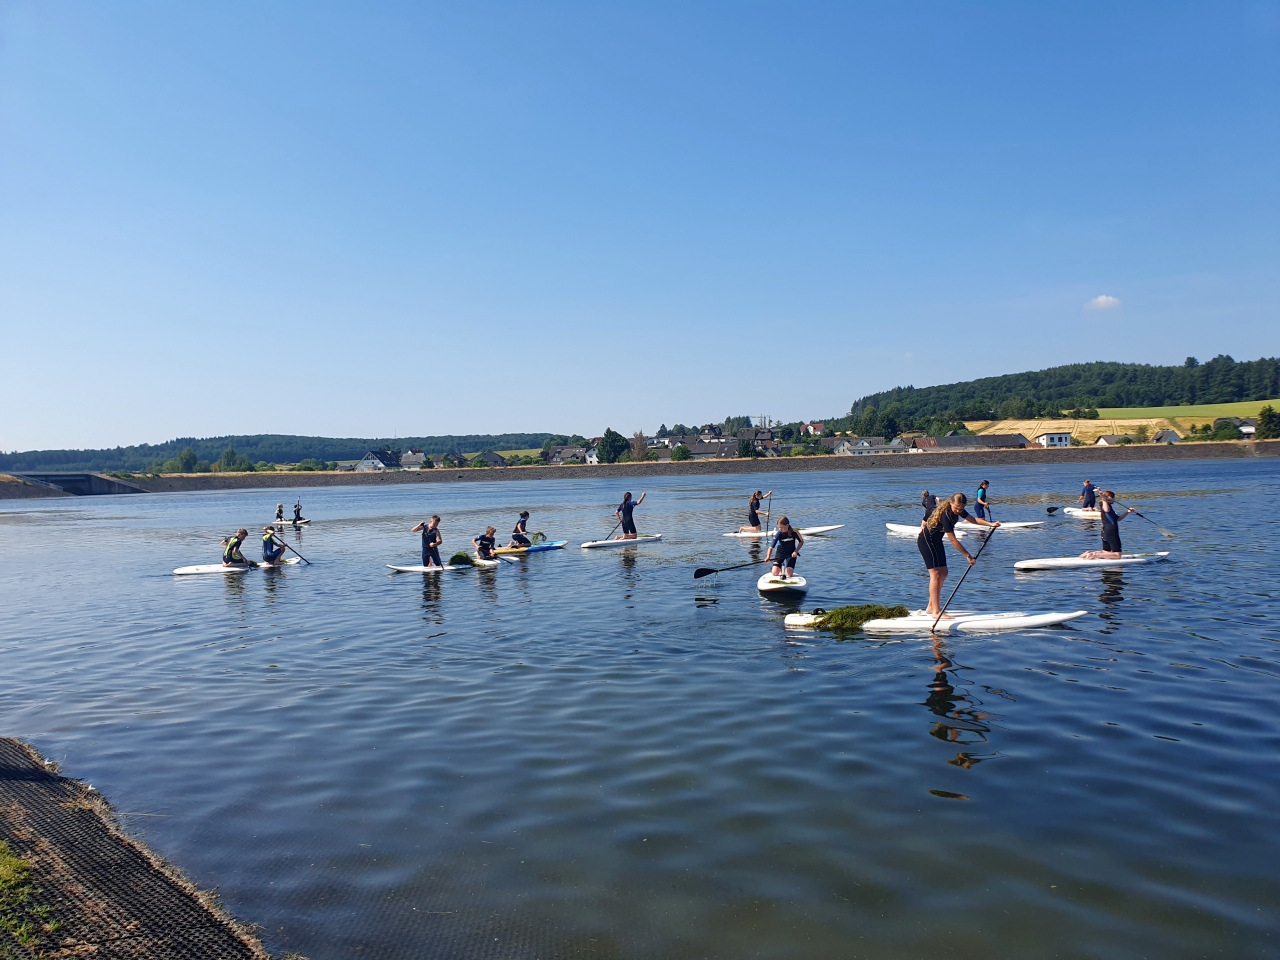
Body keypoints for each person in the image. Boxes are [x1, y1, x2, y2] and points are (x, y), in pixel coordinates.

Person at [918, 494, 999, 618]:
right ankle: (936, 611)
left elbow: (973, 519)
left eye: (961, 509)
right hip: (926, 541)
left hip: (937, 541)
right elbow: (953, 540)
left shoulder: (958, 510)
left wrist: (990, 524)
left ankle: (931, 607)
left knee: (944, 572)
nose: (958, 511)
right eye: (956, 508)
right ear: (950, 502)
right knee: (935, 574)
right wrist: (968, 556)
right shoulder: (946, 515)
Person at [1080, 491, 1135, 560]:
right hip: (1111, 532)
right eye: (1113, 498)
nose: (1114, 499)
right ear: (1109, 498)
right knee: (1118, 555)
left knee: (1105, 552)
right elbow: (1106, 509)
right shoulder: (1105, 505)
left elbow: (1118, 519)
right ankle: (1094, 554)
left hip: (1105, 531)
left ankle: (1088, 554)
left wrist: (1127, 512)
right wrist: (1104, 498)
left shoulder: (1110, 508)